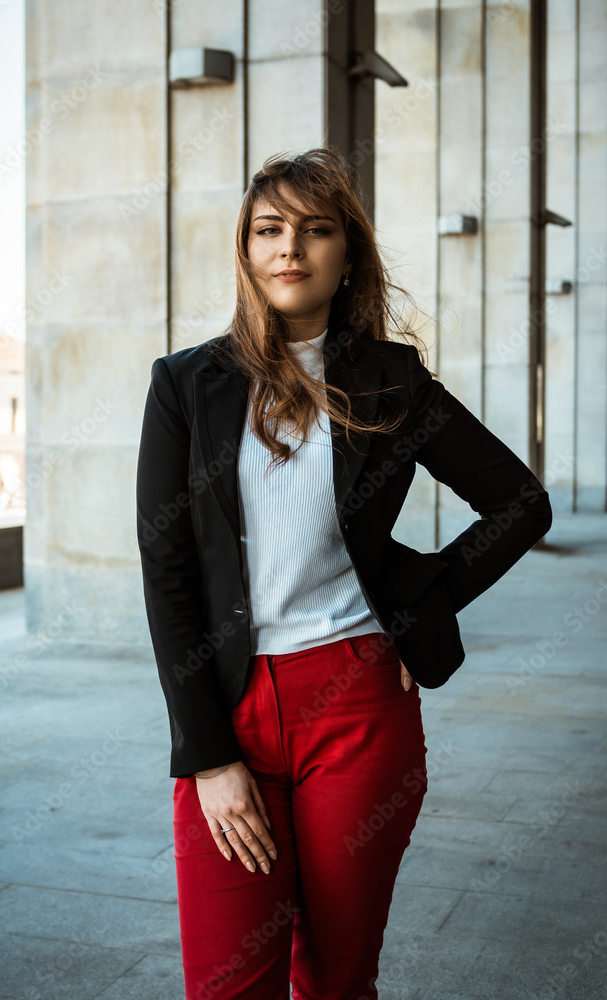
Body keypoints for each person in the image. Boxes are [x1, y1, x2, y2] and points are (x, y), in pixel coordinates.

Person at [135, 147, 552, 1000]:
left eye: (316, 229)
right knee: (225, 982)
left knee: (334, 978)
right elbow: (166, 566)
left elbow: (518, 501)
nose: (291, 247)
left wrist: (426, 598)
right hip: (231, 705)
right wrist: (206, 756)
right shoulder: (186, 384)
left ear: (346, 253)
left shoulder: (389, 381)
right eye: (269, 230)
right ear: (247, 252)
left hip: (359, 704)